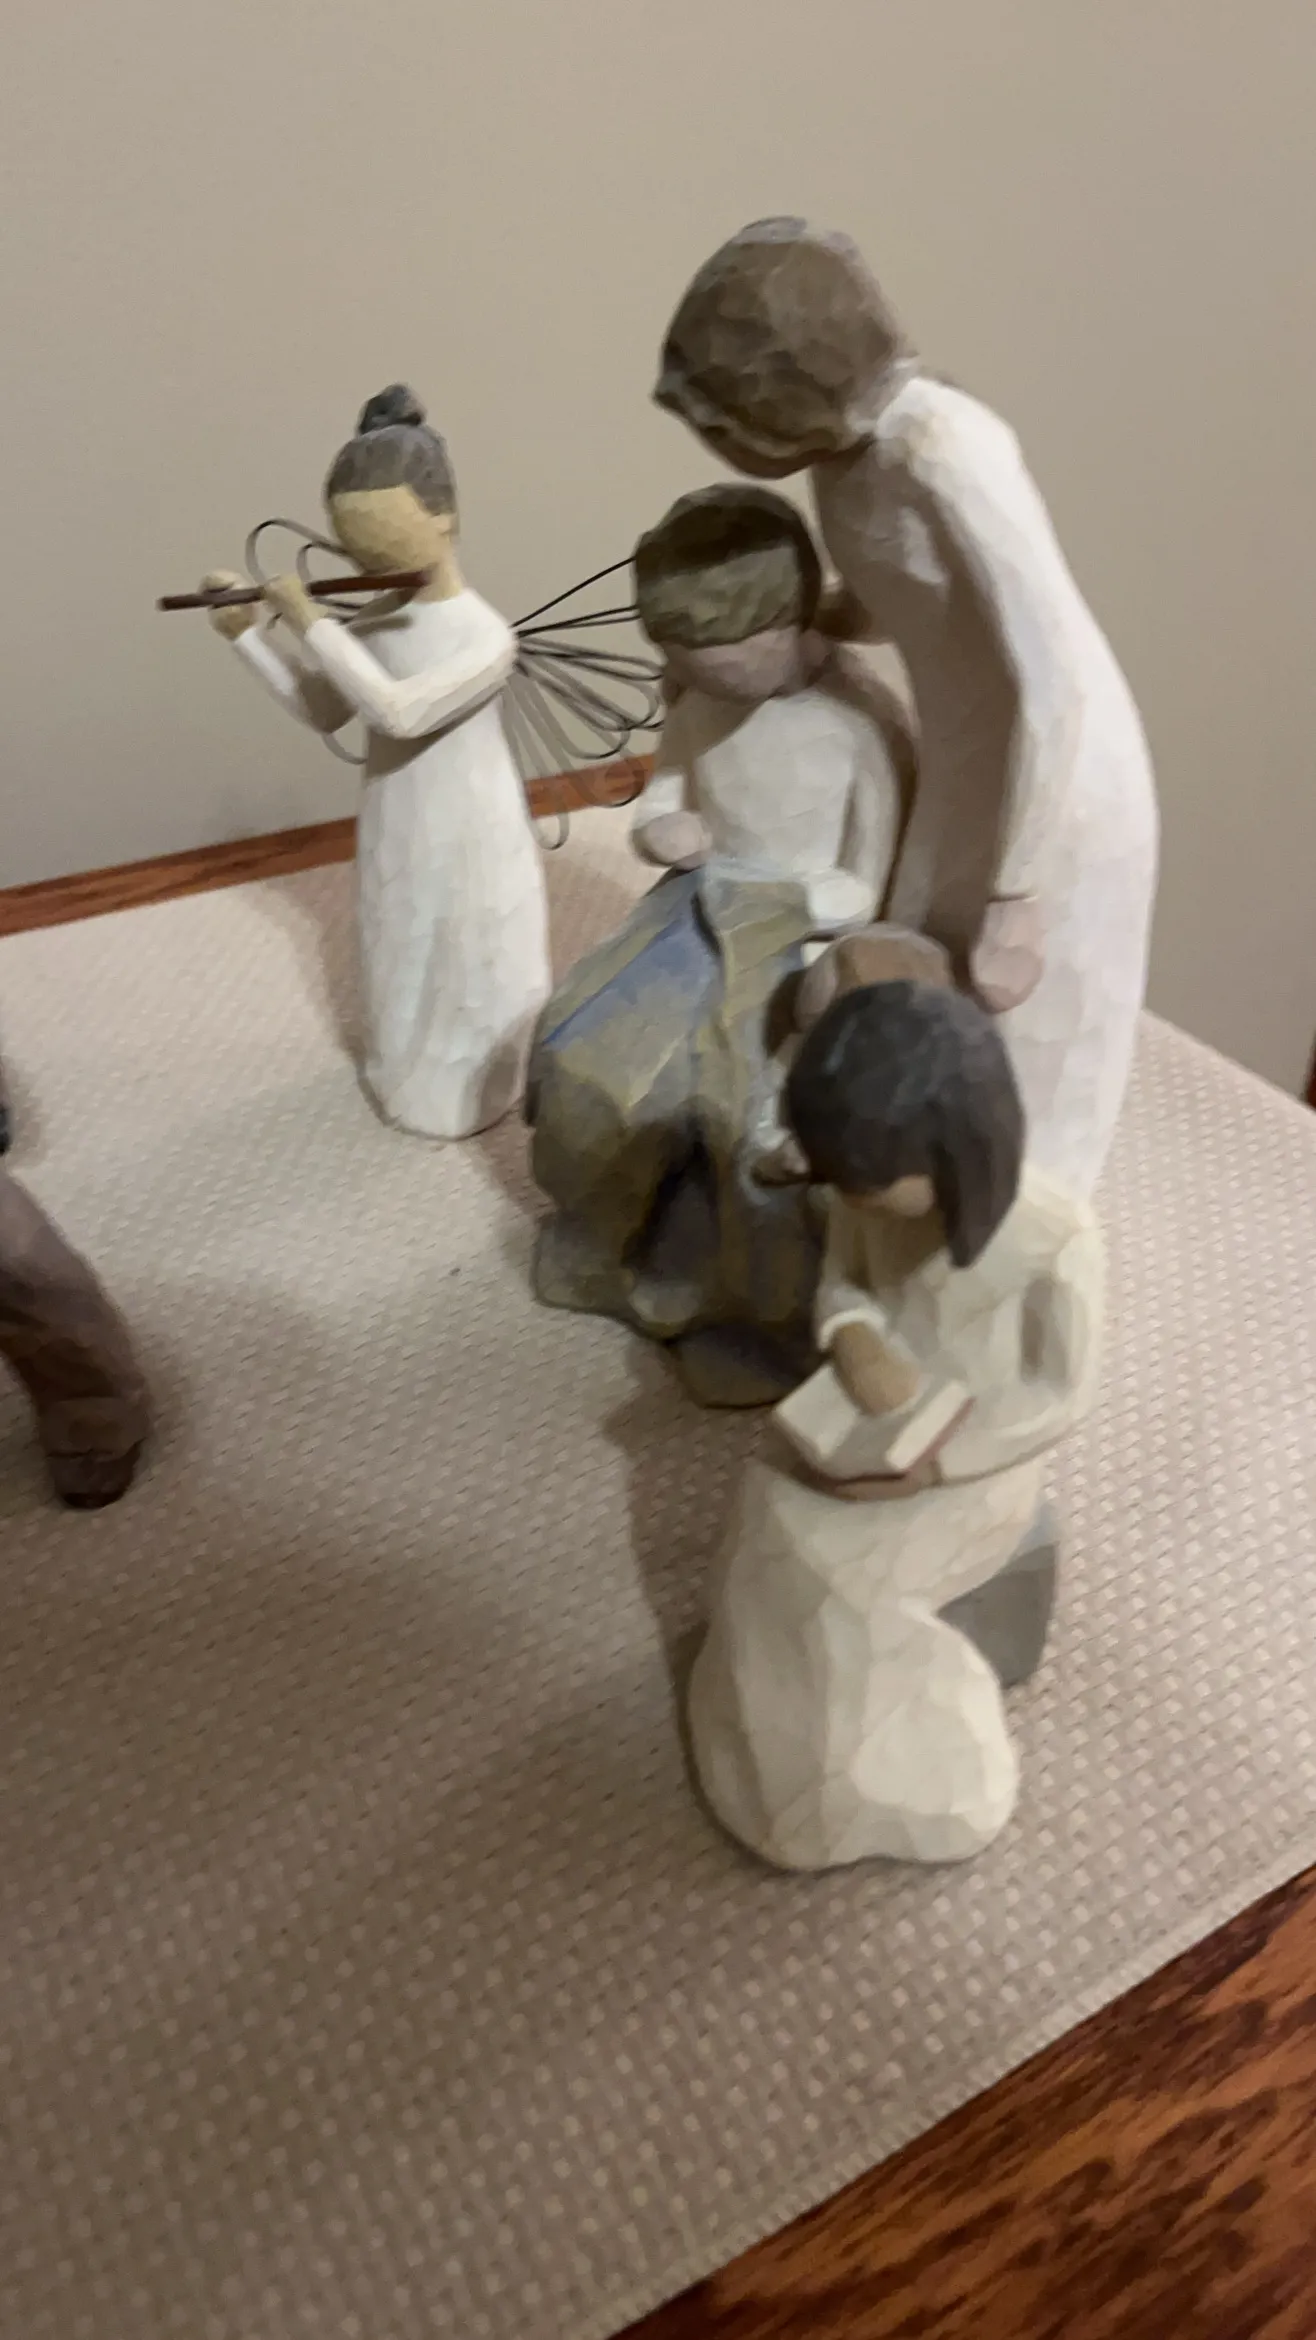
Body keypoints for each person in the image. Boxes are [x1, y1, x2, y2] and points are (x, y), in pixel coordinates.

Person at [655, 218, 1159, 1200]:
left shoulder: (945, 445)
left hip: (1053, 779)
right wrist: (776, 634)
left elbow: (1052, 670)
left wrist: (1018, 894)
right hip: (968, 762)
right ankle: (883, 1197)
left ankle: (1006, 1243)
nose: (717, 442)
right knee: (902, 972)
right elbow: (897, 603)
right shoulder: (843, 459)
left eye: (720, 418)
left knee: (1018, 1036)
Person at [686, 977, 1103, 1869]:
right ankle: (766, 1761)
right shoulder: (856, 1198)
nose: (855, 1197)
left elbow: (1058, 1395)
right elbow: (844, 1286)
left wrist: (939, 1466)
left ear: (953, 1145)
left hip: (975, 1467)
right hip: (873, 1416)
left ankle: (866, 1796)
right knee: (768, 1510)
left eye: (874, 1181)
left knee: (838, 1577)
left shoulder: (1058, 1238)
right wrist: (854, 1336)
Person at [205, 385, 549, 1141]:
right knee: (399, 944)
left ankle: (479, 1089)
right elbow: (327, 708)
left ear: (444, 516)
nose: (366, 556)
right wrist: (247, 637)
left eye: (381, 532)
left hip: (471, 831)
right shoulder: (373, 619)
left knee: (470, 955)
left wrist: (312, 623)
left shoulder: (485, 637)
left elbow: (399, 711)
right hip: (396, 818)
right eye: (352, 539)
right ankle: (406, 1080)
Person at [630, 484, 915, 933]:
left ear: (790, 625)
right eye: (686, 668)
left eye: (727, 673)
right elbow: (667, 786)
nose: (700, 687)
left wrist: (778, 907)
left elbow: (867, 886)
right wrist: (658, 829)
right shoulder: (698, 702)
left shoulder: (861, 727)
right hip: (707, 899)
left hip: (803, 926)